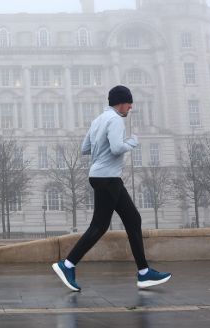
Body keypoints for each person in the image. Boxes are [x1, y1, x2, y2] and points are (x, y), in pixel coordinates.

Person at [51, 85, 171, 291]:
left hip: (103, 176)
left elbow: (85, 149)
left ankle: (144, 273)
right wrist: (132, 143)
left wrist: (103, 151)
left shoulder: (98, 120)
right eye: (129, 103)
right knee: (99, 226)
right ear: (121, 102)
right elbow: (116, 148)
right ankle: (67, 264)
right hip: (107, 178)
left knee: (133, 219)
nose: (131, 107)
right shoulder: (115, 120)